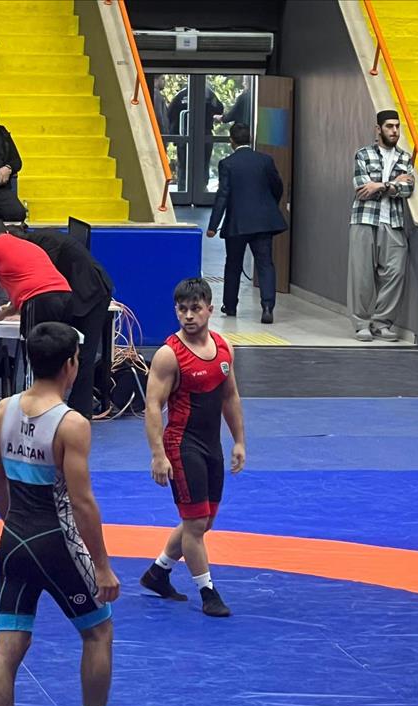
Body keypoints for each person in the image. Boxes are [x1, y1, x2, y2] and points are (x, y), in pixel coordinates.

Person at [0, 321, 139, 706]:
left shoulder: (3, 410)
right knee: (98, 631)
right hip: (56, 541)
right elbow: (82, 502)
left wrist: (15, 525)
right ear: (72, 364)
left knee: (8, 645)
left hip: (14, 538)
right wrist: (103, 566)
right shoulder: (71, 424)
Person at [140, 278, 245, 618]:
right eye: (182, 309)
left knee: (204, 519)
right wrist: (158, 455)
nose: (188, 316)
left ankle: (158, 572)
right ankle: (208, 592)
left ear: (209, 310)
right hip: (182, 445)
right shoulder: (169, 355)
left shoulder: (224, 348)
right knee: (196, 522)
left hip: (211, 445)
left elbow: (230, 396)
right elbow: (152, 406)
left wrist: (239, 440)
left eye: (195, 309)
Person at [9, 224, 113, 420]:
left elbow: (45, 279)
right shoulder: (39, 242)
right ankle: (52, 403)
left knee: (84, 353)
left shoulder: (45, 243)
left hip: (92, 293)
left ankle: (80, 411)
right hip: (75, 295)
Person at [206, 123, 286, 325]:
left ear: (231, 141)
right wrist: (269, 205)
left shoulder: (227, 164)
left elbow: (223, 195)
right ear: (250, 139)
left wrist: (213, 225)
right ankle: (267, 307)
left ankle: (230, 305)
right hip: (263, 223)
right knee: (265, 264)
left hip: (237, 224)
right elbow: (277, 186)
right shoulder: (265, 160)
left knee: (233, 264)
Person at [348, 109, 415, 343]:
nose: (394, 131)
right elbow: (362, 188)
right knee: (361, 275)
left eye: (397, 126)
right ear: (378, 129)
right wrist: (393, 184)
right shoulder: (363, 154)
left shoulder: (405, 158)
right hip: (365, 220)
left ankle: (382, 323)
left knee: (396, 272)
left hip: (394, 222)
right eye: (389, 126)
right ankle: (361, 324)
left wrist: (380, 185)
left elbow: (408, 188)